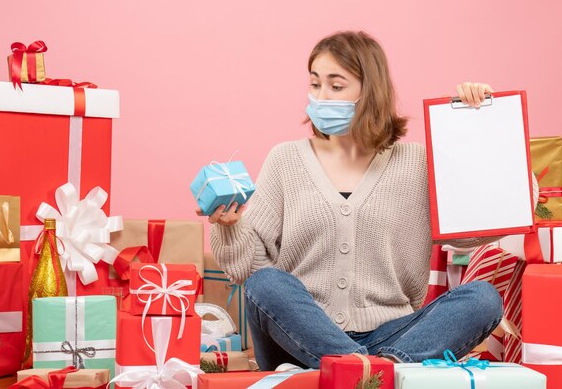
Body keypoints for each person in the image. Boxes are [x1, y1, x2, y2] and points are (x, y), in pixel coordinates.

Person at [206, 31, 528, 371]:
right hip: (300, 339)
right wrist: (230, 228)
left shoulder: (415, 163)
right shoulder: (285, 159)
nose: (321, 96)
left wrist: (484, 124)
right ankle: (375, 373)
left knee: (482, 299)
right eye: (315, 84)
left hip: (395, 336)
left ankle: (364, 370)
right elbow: (249, 271)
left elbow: (475, 229)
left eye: (336, 85)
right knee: (266, 284)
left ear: (369, 91)